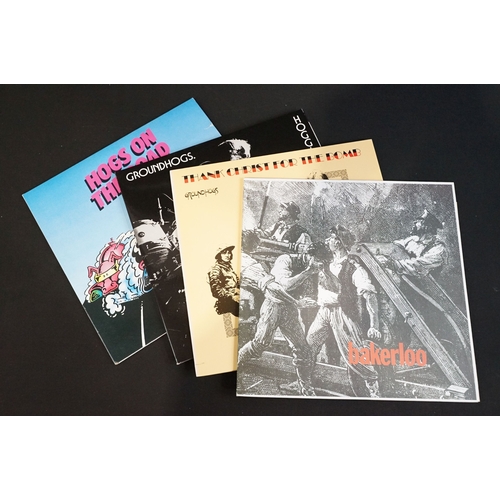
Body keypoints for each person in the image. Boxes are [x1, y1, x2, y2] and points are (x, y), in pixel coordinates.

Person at [238, 234, 324, 396]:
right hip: (273, 306)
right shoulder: (285, 260)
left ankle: (305, 388)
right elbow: (282, 286)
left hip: (289, 309)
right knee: (259, 345)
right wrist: (306, 274)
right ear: (309, 255)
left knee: (302, 349)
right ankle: (235, 368)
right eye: (317, 261)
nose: (319, 265)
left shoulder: (314, 267)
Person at [306, 225, 383, 398]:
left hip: (343, 314)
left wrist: (374, 325)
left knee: (354, 356)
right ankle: (305, 383)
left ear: (339, 242)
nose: (327, 240)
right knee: (309, 344)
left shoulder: (354, 267)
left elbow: (369, 296)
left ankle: (375, 393)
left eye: (331, 238)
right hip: (324, 311)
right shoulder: (327, 263)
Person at [377, 209, 447, 279]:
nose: (415, 223)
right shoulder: (413, 239)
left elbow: (418, 267)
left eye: (419, 221)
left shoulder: (438, 248)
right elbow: (394, 247)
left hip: (419, 285)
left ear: (427, 226)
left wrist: (393, 264)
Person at [207, 245, 240, 317]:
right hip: (225, 304)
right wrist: (232, 293)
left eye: (229, 252)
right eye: (224, 253)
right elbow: (216, 291)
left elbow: (237, 284)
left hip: (235, 300)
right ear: (219, 255)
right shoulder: (216, 269)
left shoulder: (229, 268)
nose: (227, 255)